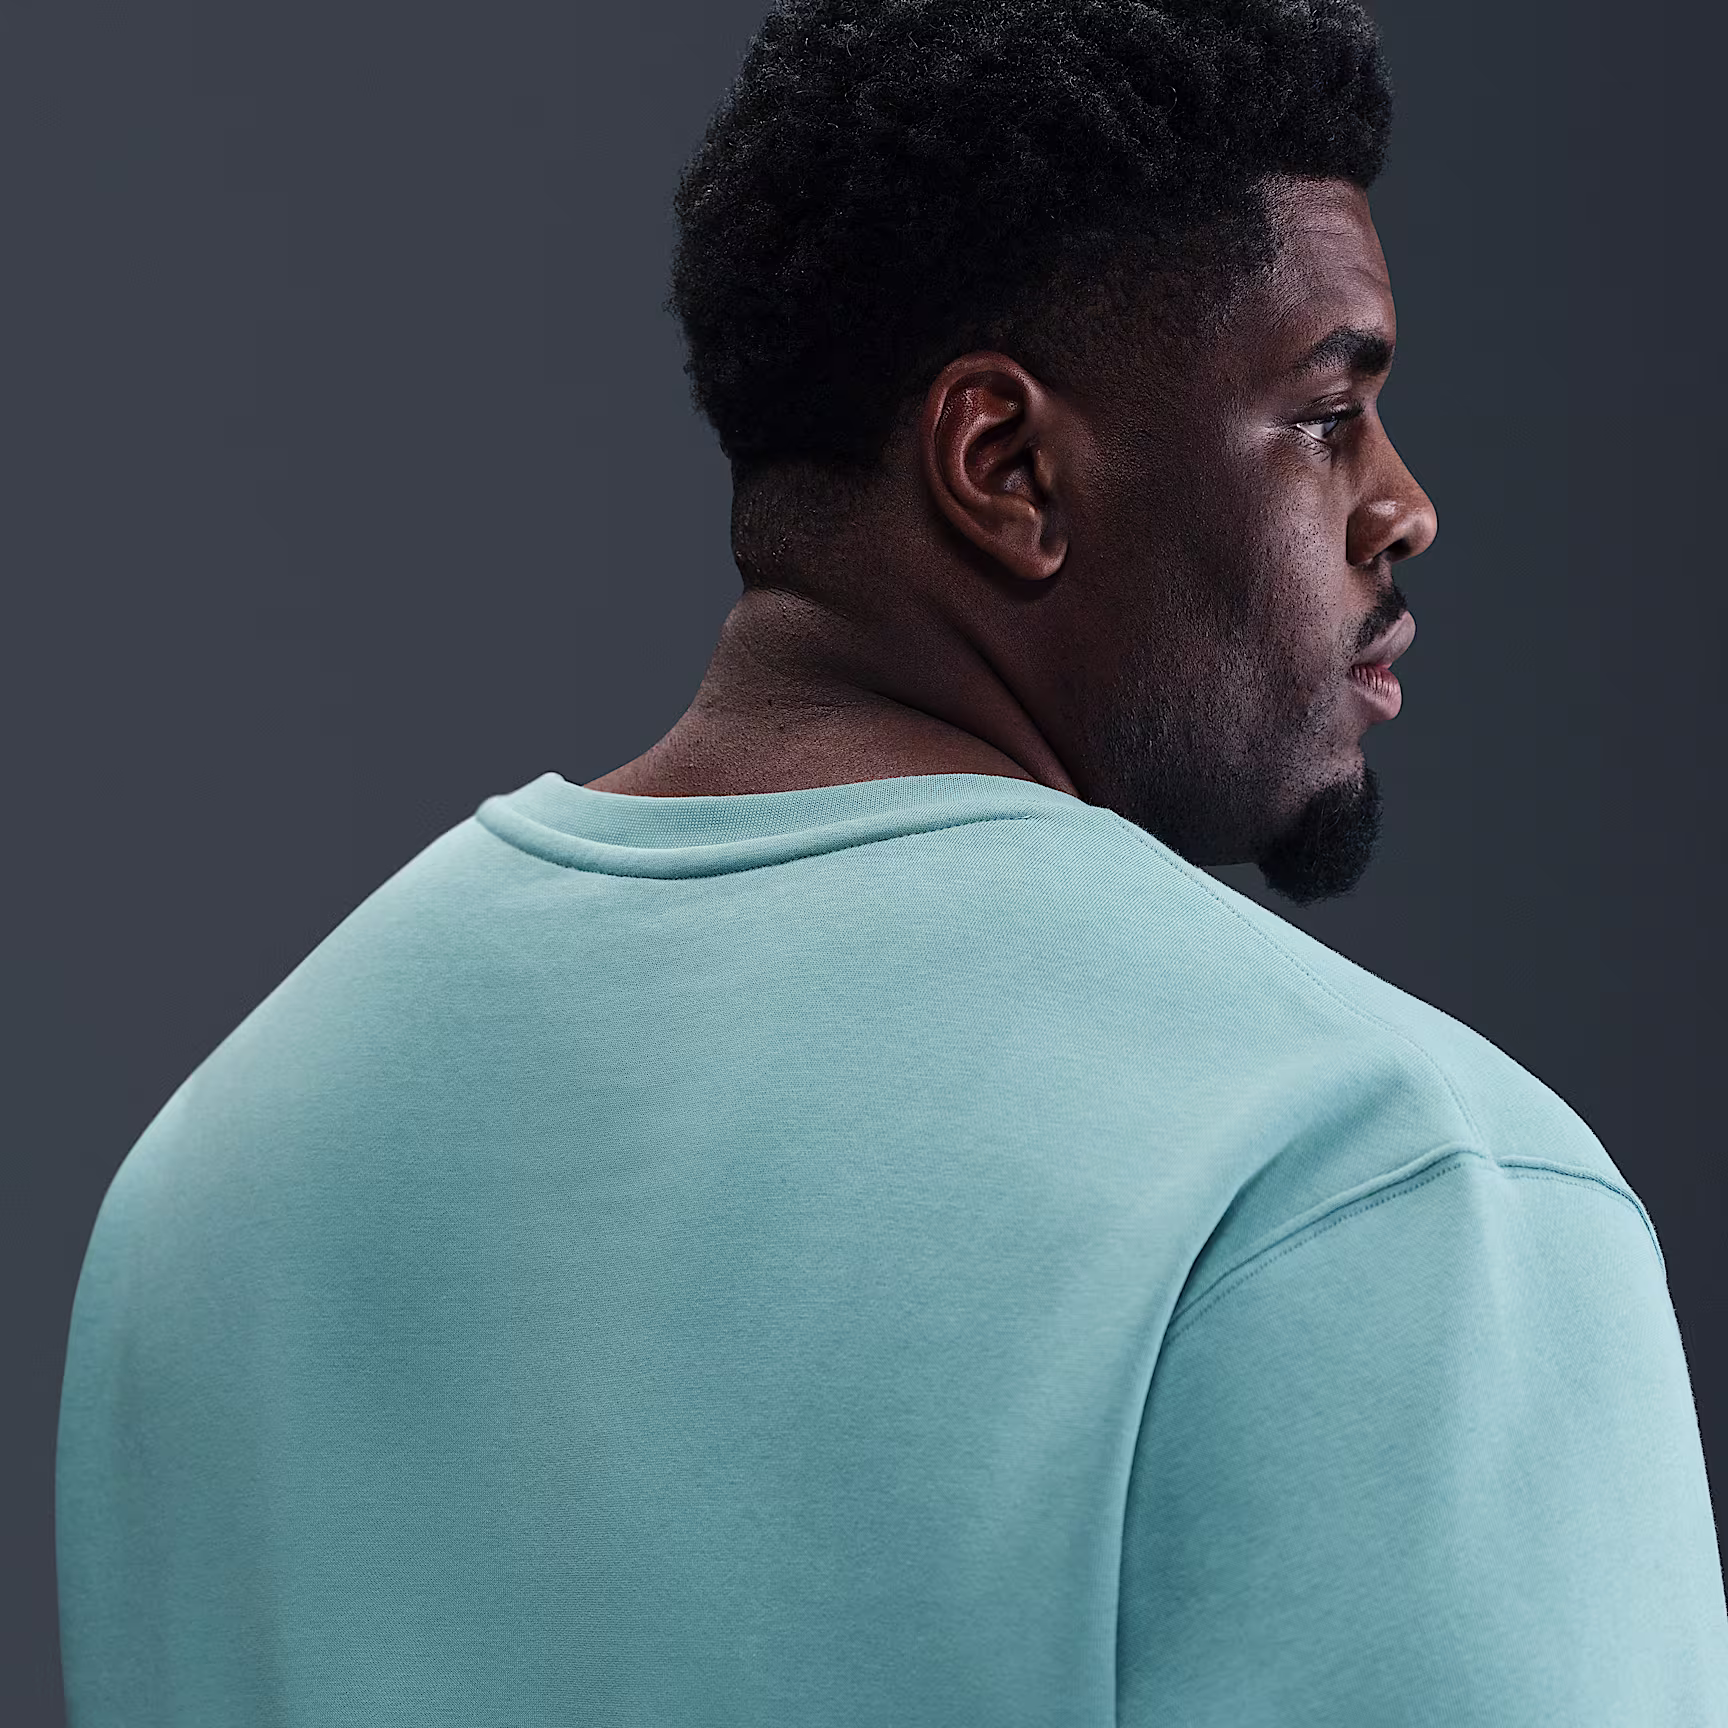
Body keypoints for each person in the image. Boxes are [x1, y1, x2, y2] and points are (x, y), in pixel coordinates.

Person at [56, 0, 1728, 1721]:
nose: (1405, 505)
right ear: (1006, 467)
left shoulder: (215, 1178)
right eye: (1326, 412)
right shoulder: (1372, 1186)